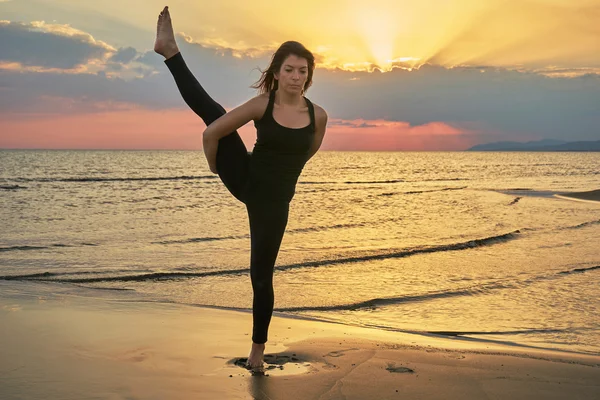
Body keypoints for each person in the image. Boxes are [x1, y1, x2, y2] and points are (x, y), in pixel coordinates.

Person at [153, 6, 328, 370]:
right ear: (277, 73)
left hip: (274, 202)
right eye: (289, 70)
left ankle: (257, 352)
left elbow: (305, 154)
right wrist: (216, 167)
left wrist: (283, 181)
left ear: (308, 76)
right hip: (246, 179)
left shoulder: (318, 116)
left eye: (302, 71)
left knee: (261, 277)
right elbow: (210, 133)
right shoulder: (261, 104)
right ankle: (170, 52)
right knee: (212, 111)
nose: (296, 77)